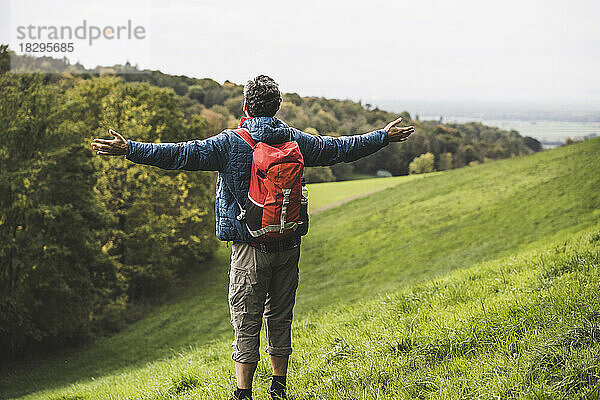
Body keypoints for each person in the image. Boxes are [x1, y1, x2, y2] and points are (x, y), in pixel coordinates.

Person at [91, 75, 414, 400]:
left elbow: (178, 155)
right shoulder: (296, 140)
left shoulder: (229, 143)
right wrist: (382, 136)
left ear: (246, 105)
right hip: (288, 244)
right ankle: (278, 388)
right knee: (279, 315)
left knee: (246, 319)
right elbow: (342, 148)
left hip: (250, 248)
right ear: (277, 107)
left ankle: (243, 393)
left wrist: (128, 148)